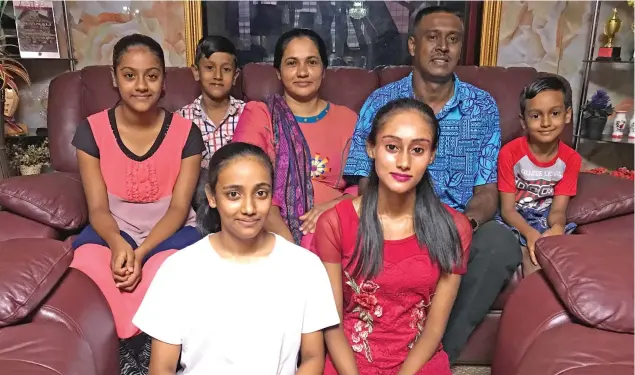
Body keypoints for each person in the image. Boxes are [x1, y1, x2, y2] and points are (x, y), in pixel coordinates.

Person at [341, 6, 521, 362]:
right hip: (394, 219)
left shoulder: (482, 107)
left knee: (500, 243)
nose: (443, 47)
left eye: (453, 39)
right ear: (412, 45)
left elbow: (487, 191)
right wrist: (398, 225)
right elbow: (364, 180)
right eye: (433, 37)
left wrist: (463, 228)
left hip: (457, 223)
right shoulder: (381, 102)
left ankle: (436, 357)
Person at [133, 142, 339, 374]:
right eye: (234, 194)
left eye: (261, 193)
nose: (249, 208)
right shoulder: (178, 270)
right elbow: (162, 368)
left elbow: (312, 358)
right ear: (211, 197)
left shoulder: (304, 267)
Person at [314, 98, 472, 375]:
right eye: (391, 147)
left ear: (432, 155)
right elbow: (334, 324)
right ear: (371, 148)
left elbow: (434, 328)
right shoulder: (335, 223)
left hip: (418, 364)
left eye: (418, 150)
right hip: (348, 361)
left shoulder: (455, 228)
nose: (403, 162)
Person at [70, 33, 203, 355]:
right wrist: (118, 245)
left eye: (151, 76)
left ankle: (137, 345)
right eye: (130, 75)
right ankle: (131, 338)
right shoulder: (91, 131)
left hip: (172, 231)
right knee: (86, 261)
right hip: (113, 228)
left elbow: (178, 208)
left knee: (171, 269)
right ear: (114, 78)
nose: (141, 85)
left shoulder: (187, 133)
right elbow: (98, 208)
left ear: (164, 81)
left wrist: (141, 254)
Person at [232, 28, 358, 248]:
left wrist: (339, 205)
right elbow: (246, 184)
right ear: (279, 72)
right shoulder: (260, 115)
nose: (302, 72)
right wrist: (291, 250)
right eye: (291, 63)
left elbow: (366, 184)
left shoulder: (347, 119)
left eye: (311, 62)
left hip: (337, 229)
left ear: (324, 70)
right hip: (269, 229)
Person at [498, 76, 580, 275]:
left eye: (554, 113)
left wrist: (558, 227)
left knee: (563, 257)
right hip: (514, 217)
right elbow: (507, 209)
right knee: (531, 258)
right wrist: (529, 234)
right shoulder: (509, 153)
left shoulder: (571, 159)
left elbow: (558, 210)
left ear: (567, 115)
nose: (545, 123)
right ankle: (530, 300)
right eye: (535, 116)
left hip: (544, 216)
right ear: (523, 121)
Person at [178, 35, 246, 169]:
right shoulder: (182, 119)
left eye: (226, 69)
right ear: (196, 72)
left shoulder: (247, 114)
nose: (218, 76)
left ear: (235, 76)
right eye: (209, 67)